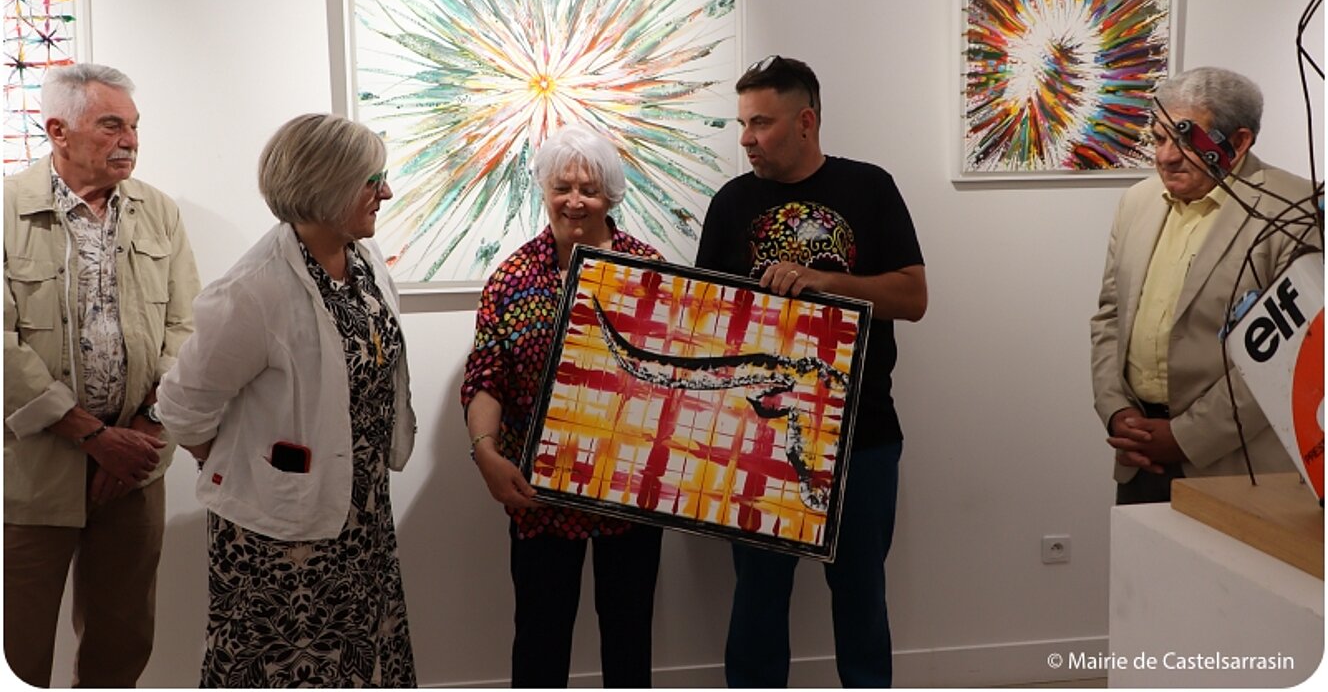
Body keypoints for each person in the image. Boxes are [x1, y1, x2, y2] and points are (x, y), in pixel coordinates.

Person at [155, 113, 417, 686]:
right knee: (283, 668)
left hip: (362, 519)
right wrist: (237, 464)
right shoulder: (255, 290)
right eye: (374, 179)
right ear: (327, 186)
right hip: (277, 538)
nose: (387, 192)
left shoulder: (365, 264)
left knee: (360, 661)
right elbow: (179, 406)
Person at [695, 54, 927, 688]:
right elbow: (705, 325)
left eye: (760, 123)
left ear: (806, 121)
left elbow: (914, 298)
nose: (745, 139)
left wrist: (825, 282)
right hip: (757, 440)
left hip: (864, 436)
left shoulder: (870, 188)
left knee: (861, 603)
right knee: (757, 609)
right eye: (742, 124)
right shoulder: (731, 202)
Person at [4, 63, 201, 687]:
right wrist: (91, 435)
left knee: (122, 641)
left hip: (137, 466)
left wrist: (144, 429)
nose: (131, 140)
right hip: (30, 469)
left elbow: (188, 328)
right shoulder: (7, 210)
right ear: (58, 130)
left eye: (135, 127)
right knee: (18, 645)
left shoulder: (158, 213)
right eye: (112, 124)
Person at [461, 122, 665, 688]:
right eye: (562, 187)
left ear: (611, 196)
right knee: (539, 645)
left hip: (629, 494)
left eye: (589, 189)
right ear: (545, 191)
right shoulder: (511, 278)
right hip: (539, 492)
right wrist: (485, 453)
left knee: (629, 643)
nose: (575, 200)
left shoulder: (650, 271)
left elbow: (671, 381)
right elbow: (485, 377)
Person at [1091, 67, 1321, 504]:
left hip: (1236, 468)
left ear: (1237, 142)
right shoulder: (1136, 202)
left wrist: (1185, 436)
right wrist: (1116, 410)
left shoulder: (1293, 211)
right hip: (1138, 457)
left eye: (1184, 139)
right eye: (1158, 139)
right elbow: (1109, 316)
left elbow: (1293, 355)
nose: (1166, 157)